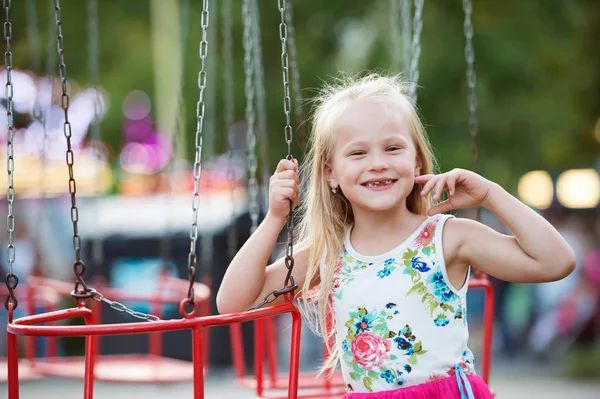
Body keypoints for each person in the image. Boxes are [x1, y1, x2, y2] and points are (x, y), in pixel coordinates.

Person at [216, 74, 575, 398]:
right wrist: (275, 218)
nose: (378, 163)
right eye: (358, 153)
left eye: (392, 148)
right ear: (331, 174)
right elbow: (233, 301)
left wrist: (490, 195)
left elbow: (556, 261)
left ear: (417, 161)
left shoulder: (447, 237)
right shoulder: (327, 254)